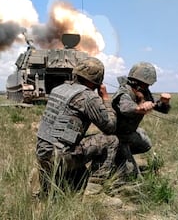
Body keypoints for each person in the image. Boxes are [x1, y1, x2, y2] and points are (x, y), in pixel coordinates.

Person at [36, 57, 119, 196]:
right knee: (111, 140)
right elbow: (110, 127)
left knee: (78, 141)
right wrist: (105, 99)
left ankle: (57, 178)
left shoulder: (58, 89)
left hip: (42, 154)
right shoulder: (88, 97)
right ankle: (94, 192)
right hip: (59, 158)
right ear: (98, 80)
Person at [112, 62, 171, 180]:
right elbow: (125, 108)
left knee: (146, 144)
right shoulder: (124, 92)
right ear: (136, 83)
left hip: (129, 133)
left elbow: (159, 108)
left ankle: (120, 157)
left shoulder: (143, 92)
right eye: (145, 85)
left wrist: (164, 103)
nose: (147, 88)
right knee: (133, 176)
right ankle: (114, 157)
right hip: (117, 137)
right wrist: (139, 108)